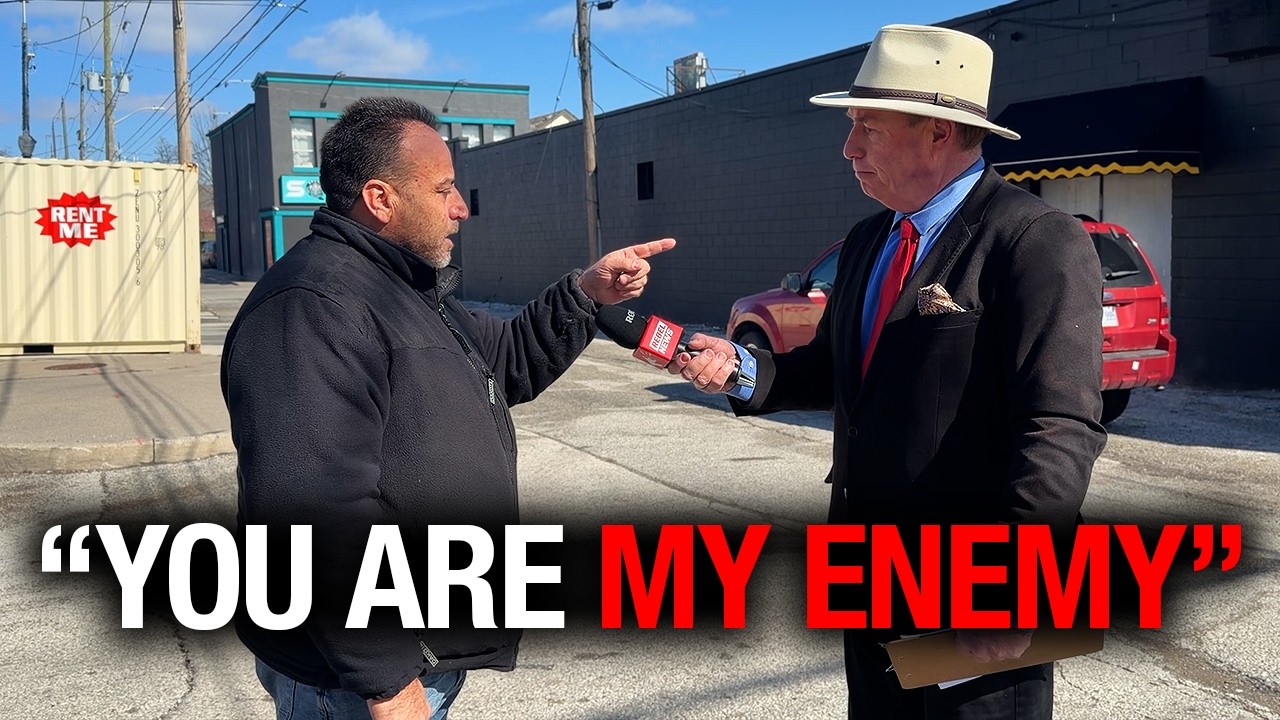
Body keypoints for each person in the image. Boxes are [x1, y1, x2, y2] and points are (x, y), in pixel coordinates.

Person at [670, 24, 1107, 718]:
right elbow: (839, 371)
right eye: (851, 127)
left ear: (938, 131)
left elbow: (1059, 425)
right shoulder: (873, 237)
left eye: (866, 127)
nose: (848, 148)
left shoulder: (1033, 240)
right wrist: (741, 370)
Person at [221, 96, 674, 719]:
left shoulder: (399, 287)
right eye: (444, 190)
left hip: (415, 655)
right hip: (354, 682)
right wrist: (384, 680)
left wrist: (586, 292)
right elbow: (313, 510)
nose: (461, 207)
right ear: (381, 199)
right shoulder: (314, 306)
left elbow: (508, 357)